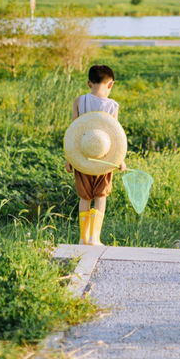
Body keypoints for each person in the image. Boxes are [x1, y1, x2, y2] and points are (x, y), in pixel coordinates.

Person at [66, 64, 126, 245]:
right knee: (101, 195)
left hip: (82, 155)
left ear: (88, 83)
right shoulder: (112, 106)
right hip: (106, 158)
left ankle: (83, 238)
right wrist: (120, 159)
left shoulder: (79, 101)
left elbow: (72, 133)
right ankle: (95, 237)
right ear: (111, 84)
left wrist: (69, 158)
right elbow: (116, 137)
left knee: (84, 196)